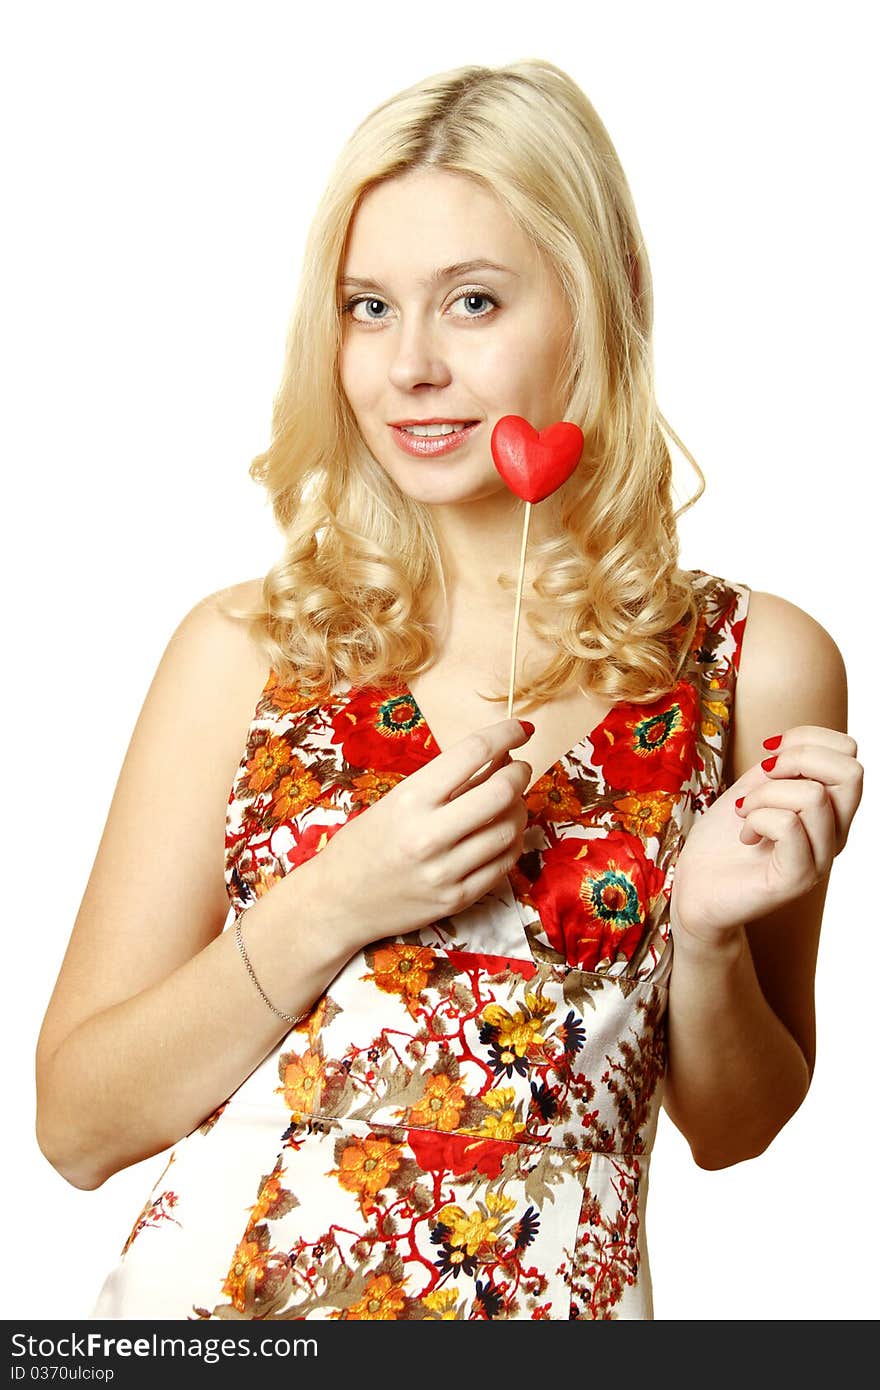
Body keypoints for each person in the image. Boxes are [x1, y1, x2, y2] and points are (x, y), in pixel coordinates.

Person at [35, 58, 863, 1322]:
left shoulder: (758, 663)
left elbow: (734, 1128)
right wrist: (334, 901)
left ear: (598, 303)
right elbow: (77, 1126)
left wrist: (701, 933)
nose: (408, 364)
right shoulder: (246, 649)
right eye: (368, 307)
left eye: (471, 302)